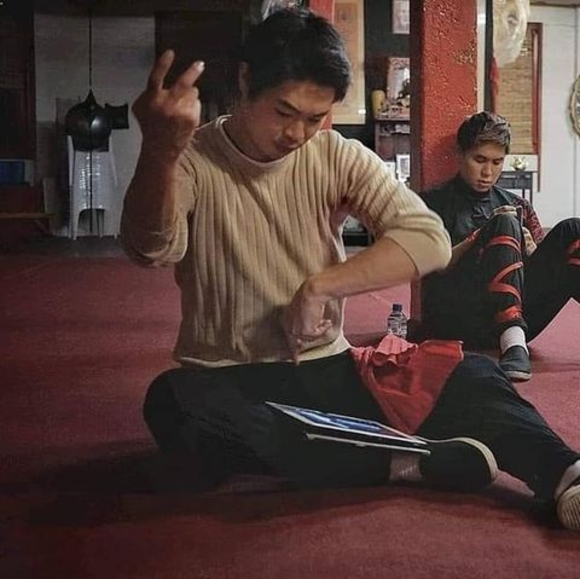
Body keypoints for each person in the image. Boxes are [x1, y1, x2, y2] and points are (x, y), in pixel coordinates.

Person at [121, 8, 580, 531]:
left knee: (471, 372)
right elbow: (151, 247)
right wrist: (159, 149)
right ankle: (404, 460)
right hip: (229, 377)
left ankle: (566, 472)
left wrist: (322, 287)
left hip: (328, 369)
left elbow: (428, 240)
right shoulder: (191, 157)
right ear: (246, 82)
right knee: (175, 403)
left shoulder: (334, 153)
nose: (297, 133)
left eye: (315, 117)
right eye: (284, 111)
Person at [418, 111, 580, 382]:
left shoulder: (518, 204)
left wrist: (531, 251)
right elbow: (430, 267)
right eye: (479, 160)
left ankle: (514, 338)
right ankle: (513, 342)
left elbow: (542, 275)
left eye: (497, 162)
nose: (488, 172)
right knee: (504, 220)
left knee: (573, 230)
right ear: (460, 154)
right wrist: (481, 236)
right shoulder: (431, 202)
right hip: (459, 318)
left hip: (518, 316)